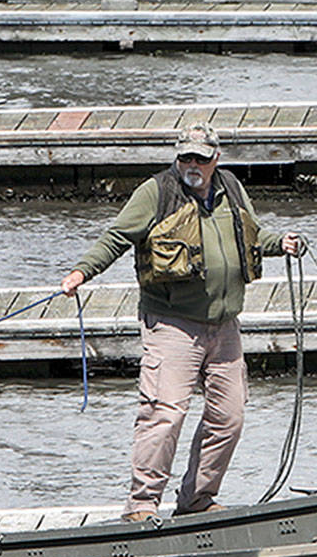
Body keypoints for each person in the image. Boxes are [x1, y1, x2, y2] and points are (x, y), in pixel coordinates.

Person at [61, 123, 301, 522]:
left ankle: (197, 499)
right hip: (172, 325)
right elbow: (116, 237)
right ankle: (141, 505)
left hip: (224, 327)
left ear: (215, 160)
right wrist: (82, 273)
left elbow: (254, 237)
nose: (193, 165)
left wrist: (283, 244)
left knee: (230, 417)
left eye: (201, 159)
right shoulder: (156, 193)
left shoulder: (232, 189)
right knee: (165, 413)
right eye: (186, 157)